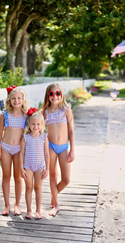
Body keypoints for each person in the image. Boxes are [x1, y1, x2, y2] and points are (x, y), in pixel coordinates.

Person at [0, 85, 29, 216]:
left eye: (19, 98)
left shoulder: (26, 115)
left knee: (18, 178)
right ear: (9, 99)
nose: (16, 101)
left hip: (19, 150)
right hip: (6, 147)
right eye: (13, 98)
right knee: (6, 176)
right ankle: (7, 205)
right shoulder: (5, 114)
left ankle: (17, 205)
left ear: (23, 99)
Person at [42, 83, 75, 217]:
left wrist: (72, 149)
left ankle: (53, 194)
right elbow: (35, 124)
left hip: (63, 148)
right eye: (51, 94)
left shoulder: (66, 110)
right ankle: (56, 205)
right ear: (48, 95)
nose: (55, 96)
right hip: (50, 147)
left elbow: (71, 131)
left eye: (58, 93)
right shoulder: (44, 112)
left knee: (66, 179)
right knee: (53, 176)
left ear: (61, 94)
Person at [20, 108, 50, 220]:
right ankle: (28, 210)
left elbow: (47, 154)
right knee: (29, 187)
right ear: (28, 124)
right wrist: (21, 168)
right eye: (33, 124)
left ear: (42, 124)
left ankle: (38, 210)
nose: (35, 126)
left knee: (38, 188)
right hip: (27, 166)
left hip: (39, 166)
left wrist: (47, 169)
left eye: (38, 124)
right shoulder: (25, 138)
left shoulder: (44, 138)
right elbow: (21, 154)